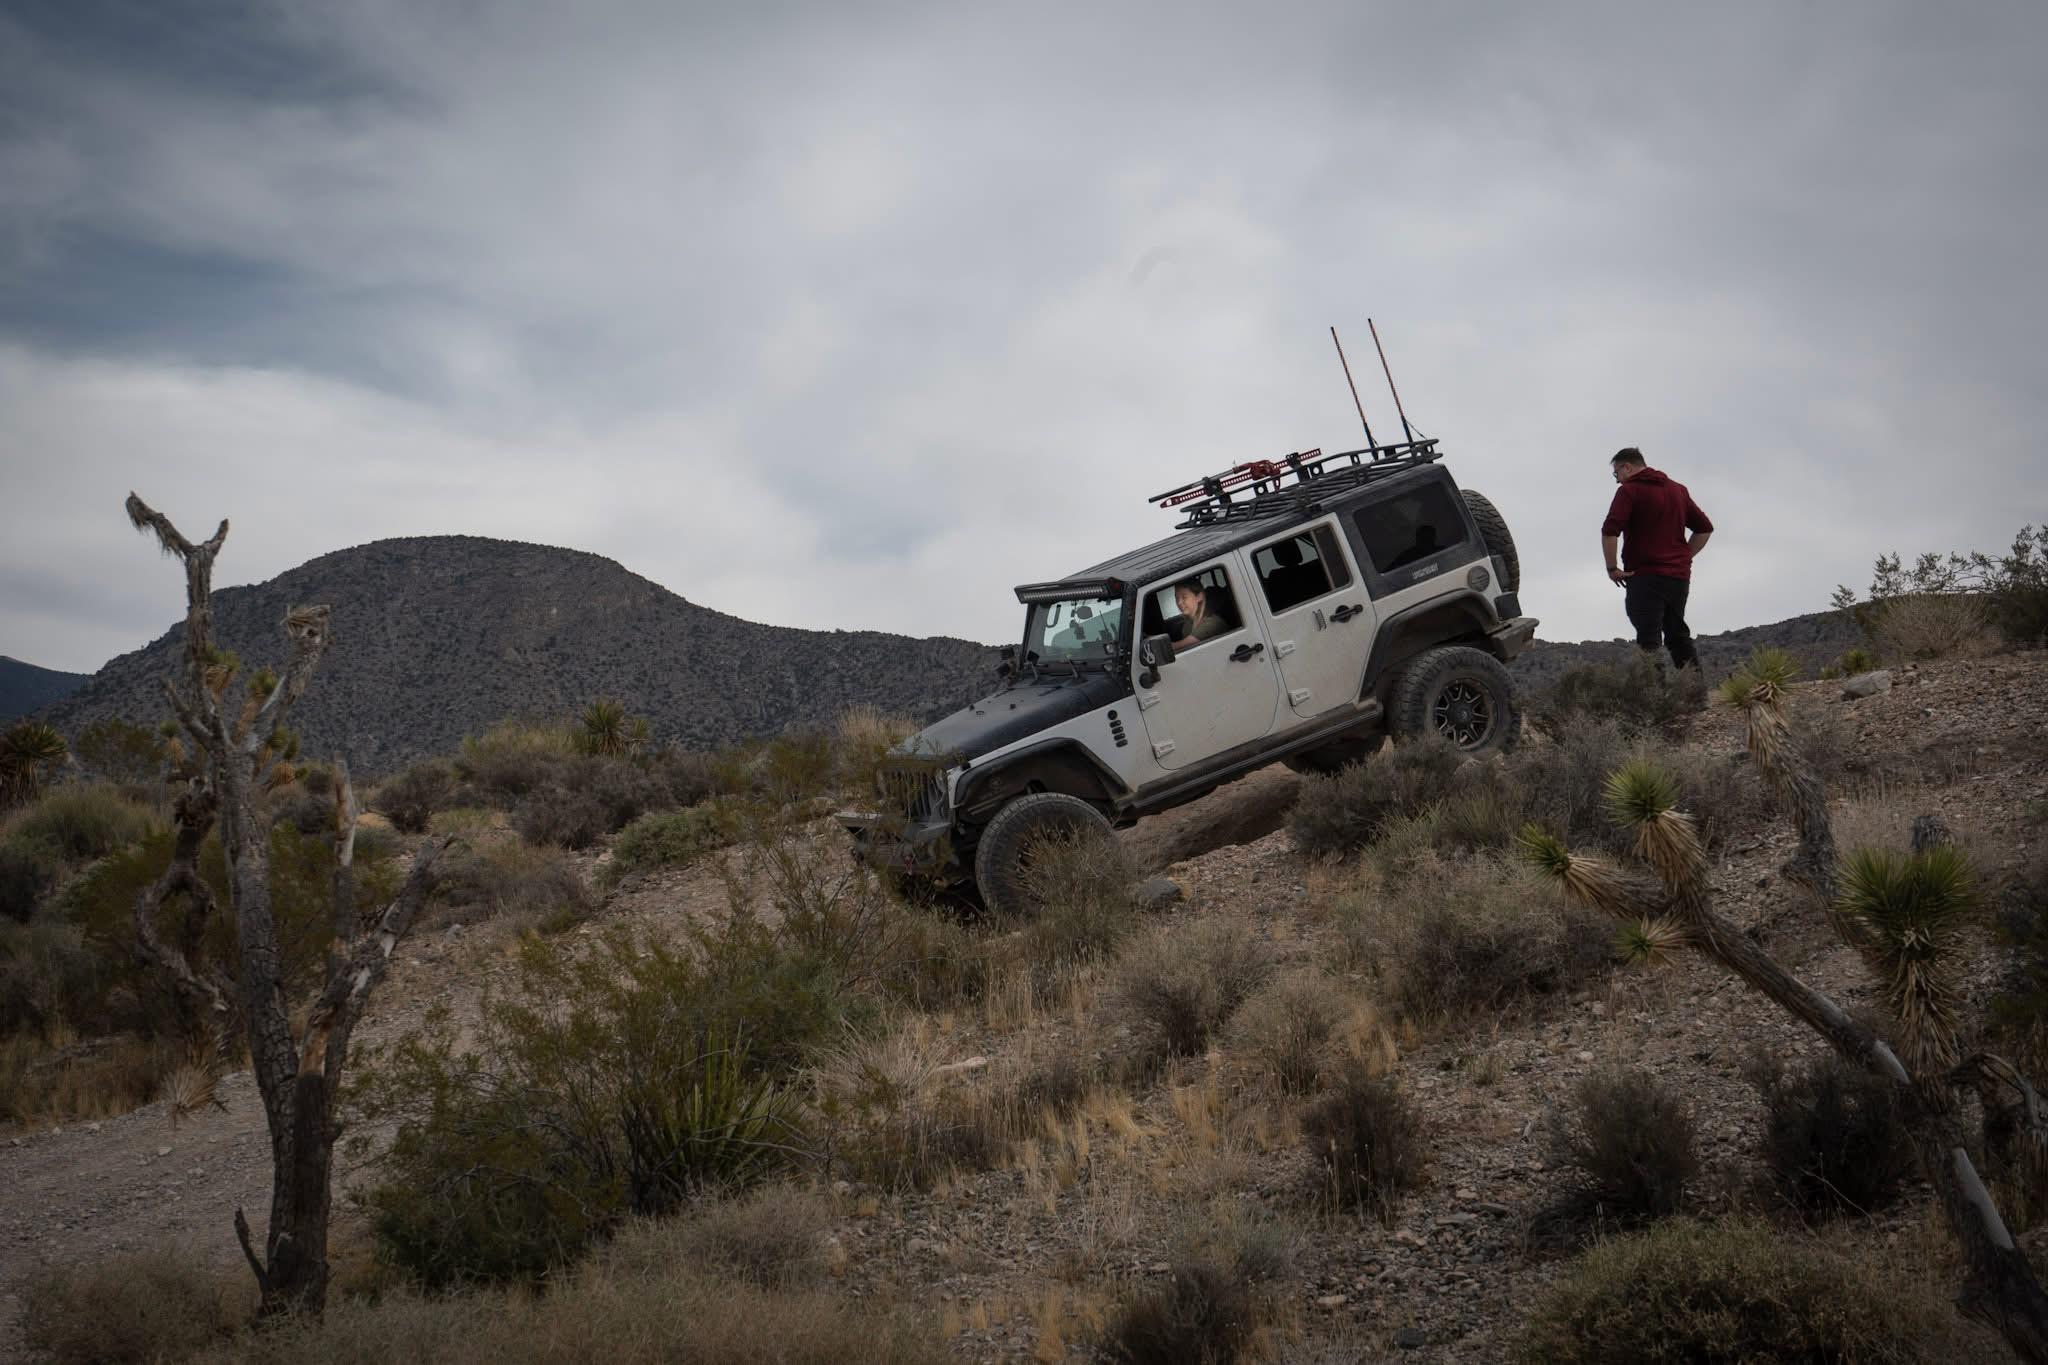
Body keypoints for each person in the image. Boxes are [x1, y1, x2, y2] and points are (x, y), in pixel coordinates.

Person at [1601, 447, 1713, 669]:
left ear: (1627, 467)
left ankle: (1654, 698)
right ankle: (1695, 696)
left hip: (1645, 577)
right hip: (1678, 578)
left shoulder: (1629, 491)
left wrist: (1612, 568)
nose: (1617, 481)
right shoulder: (1678, 490)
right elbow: (1704, 529)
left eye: (1616, 474)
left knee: (1649, 640)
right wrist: (1683, 558)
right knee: (1678, 635)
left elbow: (1610, 531)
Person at [1171, 579, 1229, 652]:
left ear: (1199, 597)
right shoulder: (1187, 625)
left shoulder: (1213, 623)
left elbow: (1179, 646)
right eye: (1177, 598)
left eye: (1184, 597)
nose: (1179, 602)